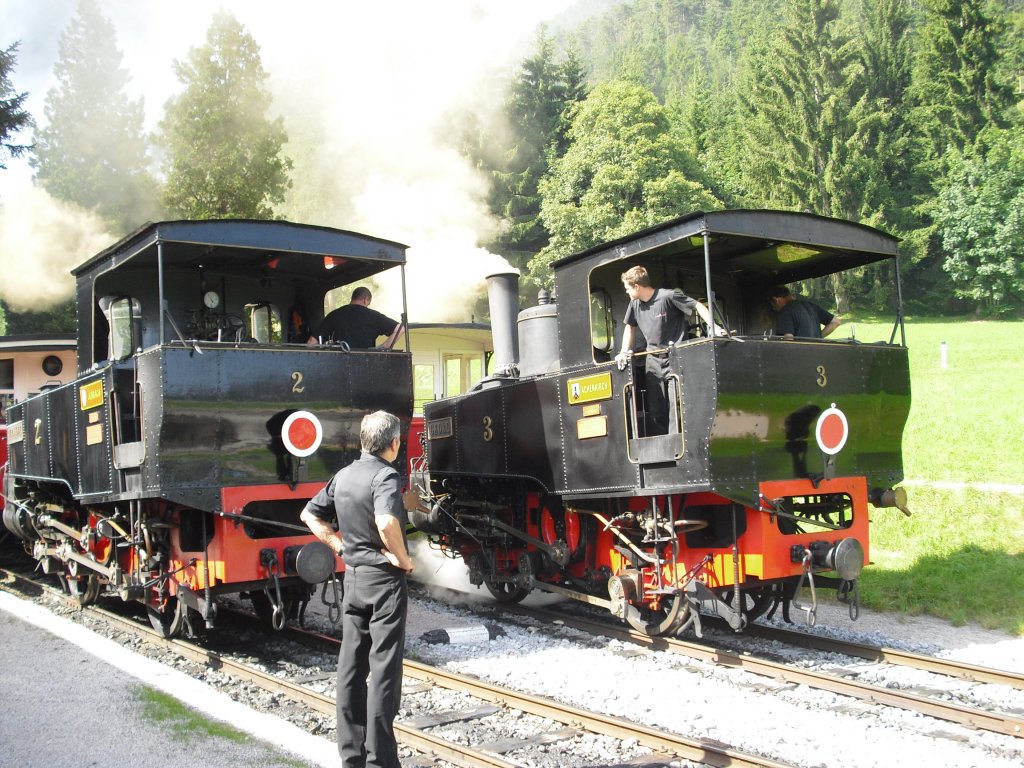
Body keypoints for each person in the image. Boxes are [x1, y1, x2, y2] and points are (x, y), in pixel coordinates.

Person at [300, 411, 414, 768]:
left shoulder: (344, 475)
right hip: (383, 583)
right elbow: (386, 521)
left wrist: (339, 547)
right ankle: (381, 760)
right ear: (394, 443)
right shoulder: (386, 475)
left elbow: (309, 514)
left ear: (364, 441)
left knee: (350, 667)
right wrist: (403, 559)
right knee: (383, 671)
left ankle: (351, 757)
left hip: (353, 579)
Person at [614, 265, 715, 436]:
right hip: (652, 361)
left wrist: (714, 327)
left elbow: (697, 305)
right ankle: (661, 442)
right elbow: (630, 327)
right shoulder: (634, 305)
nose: (626, 292)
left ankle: (677, 442)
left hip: (676, 358)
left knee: (676, 404)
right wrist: (624, 351)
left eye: (627, 288)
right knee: (655, 407)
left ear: (636, 286)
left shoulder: (669, 296)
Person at [307, 287, 404, 349]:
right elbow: (400, 329)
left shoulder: (335, 314)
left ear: (352, 298)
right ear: (366, 300)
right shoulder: (375, 317)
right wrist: (384, 346)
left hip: (337, 366)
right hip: (365, 368)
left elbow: (312, 342)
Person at [769, 285, 841, 340]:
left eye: (773, 305)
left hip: (800, 355)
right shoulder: (811, 306)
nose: (773, 308)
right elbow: (836, 322)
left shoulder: (784, 311)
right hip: (817, 353)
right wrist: (818, 338)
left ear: (776, 300)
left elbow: (788, 339)